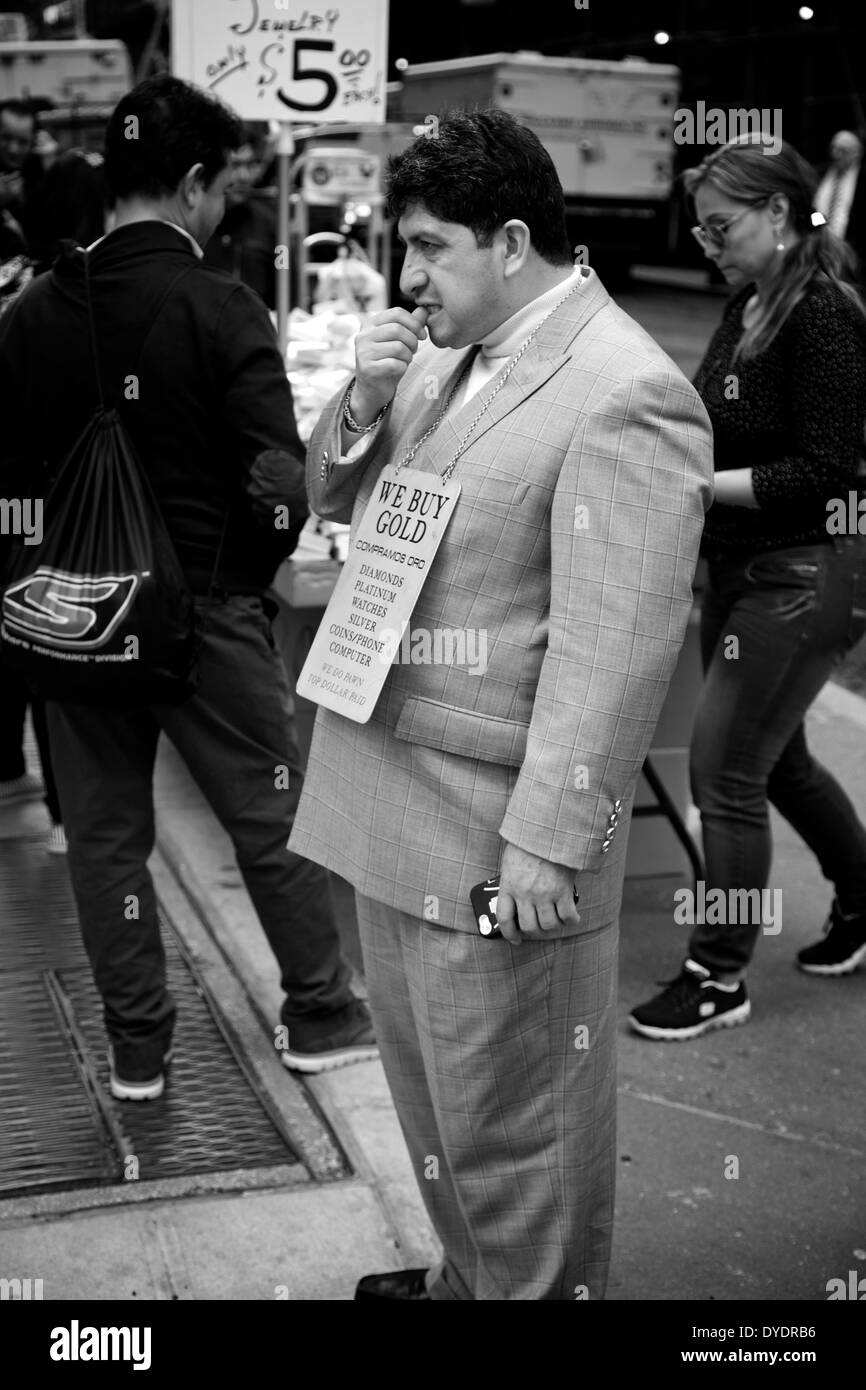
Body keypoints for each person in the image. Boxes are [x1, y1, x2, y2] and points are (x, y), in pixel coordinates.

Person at [289, 108, 714, 1300]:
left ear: (511, 238)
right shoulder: (436, 351)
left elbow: (615, 643)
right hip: (389, 778)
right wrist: (361, 405)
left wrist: (546, 840)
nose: (407, 277)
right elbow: (328, 483)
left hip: (491, 824)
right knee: (433, 1093)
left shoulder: (624, 390)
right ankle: (464, 1276)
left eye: (427, 247)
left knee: (516, 1118)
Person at [0, 74, 375, 1101]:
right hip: (205, 615)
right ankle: (320, 1010)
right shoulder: (219, 303)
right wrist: (244, 589)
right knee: (273, 814)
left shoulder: (29, 314)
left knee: (108, 839)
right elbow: (274, 479)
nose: (219, 212)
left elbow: (11, 486)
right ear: (196, 182)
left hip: (75, 618)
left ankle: (137, 1050)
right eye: (217, 191)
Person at [630, 135, 866, 1043]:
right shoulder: (753, 301)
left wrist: (692, 489)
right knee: (782, 764)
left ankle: (718, 971)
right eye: (699, 232)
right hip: (746, 567)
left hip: (807, 569)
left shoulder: (823, 313)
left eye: (722, 227)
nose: (709, 245)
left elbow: (826, 470)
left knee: (724, 771)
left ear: (778, 212)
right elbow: (702, 425)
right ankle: (862, 901)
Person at [202, 125, 278, 308]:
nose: (244, 176)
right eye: (235, 165)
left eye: (251, 164)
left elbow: (284, 277)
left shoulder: (272, 229)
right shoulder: (192, 225)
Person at [813, 129, 866, 274]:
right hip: (821, 252)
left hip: (853, 255)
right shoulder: (821, 173)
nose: (835, 155)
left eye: (842, 151)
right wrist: (818, 224)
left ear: (856, 153)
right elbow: (812, 209)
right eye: (833, 148)